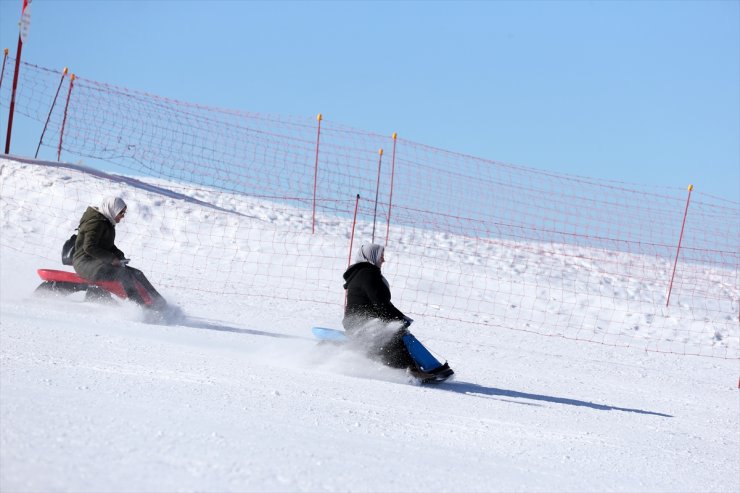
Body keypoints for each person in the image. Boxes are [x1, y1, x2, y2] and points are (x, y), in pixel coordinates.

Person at [342, 243, 453, 381]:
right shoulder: (367, 274)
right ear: (371, 256)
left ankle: (424, 366)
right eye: (381, 256)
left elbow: (381, 302)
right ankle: (409, 370)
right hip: (360, 323)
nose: (383, 259)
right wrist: (397, 319)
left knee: (398, 330)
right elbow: (381, 304)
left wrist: (399, 317)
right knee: (394, 333)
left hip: (358, 321)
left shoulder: (365, 273)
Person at [72, 196, 165, 309]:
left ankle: (160, 303)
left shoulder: (106, 222)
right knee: (124, 274)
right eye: (121, 213)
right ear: (113, 209)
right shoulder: (96, 223)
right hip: (85, 262)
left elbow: (108, 246)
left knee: (137, 273)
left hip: (97, 261)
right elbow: (89, 247)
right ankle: (140, 307)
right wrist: (112, 259)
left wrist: (119, 256)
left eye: (124, 213)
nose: (122, 216)